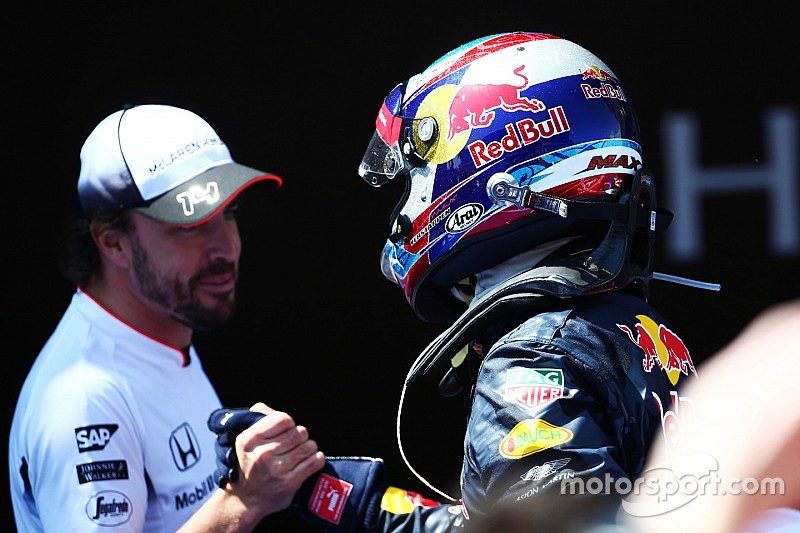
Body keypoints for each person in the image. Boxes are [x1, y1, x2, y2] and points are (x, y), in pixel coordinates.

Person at [209, 31, 715, 531]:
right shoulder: (629, 326)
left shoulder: (536, 355)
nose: (407, 203)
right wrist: (332, 495)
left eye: (415, 174)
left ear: (490, 162)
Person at [8, 104, 326, 531]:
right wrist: (241, 502)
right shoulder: (86, 400)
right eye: (189, 224)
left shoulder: (158, 337)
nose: (224, 248)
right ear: (112, 242)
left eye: (228, 214)